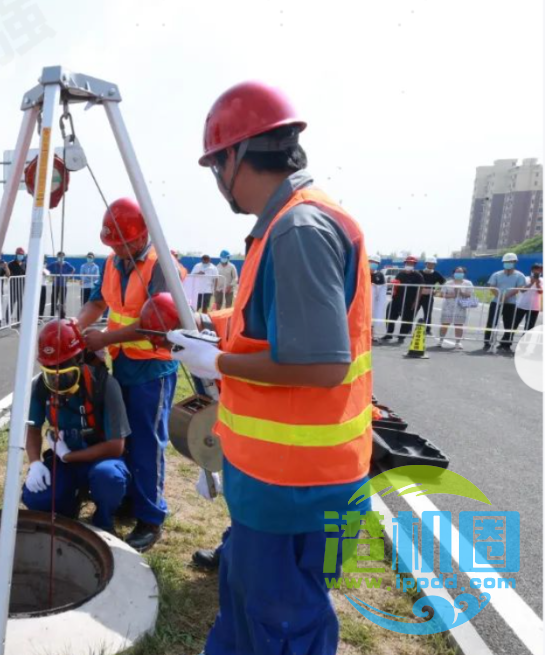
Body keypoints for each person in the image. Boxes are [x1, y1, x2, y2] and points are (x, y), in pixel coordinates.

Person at [168, 82, 372, 655]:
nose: (217, 181)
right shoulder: (287, 221)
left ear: (235, 157)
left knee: (281, 623)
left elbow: (321, 362)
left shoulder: (298, 229)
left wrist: (220, 361)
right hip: (282, 477)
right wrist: (216, 326)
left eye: (216, 164)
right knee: (247, 607)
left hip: (296, 483)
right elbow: (279, 318)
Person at [75, 197, 178, 552]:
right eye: (113, 243)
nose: (119, 249)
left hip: (153, 366)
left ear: (144, 234)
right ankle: (130, 501)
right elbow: (97, 302)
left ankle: (151, 518)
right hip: (121, 362)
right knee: (125, 438)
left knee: (148, 442)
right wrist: (74, 328)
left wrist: (105, 337)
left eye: (125, 242)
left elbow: (157, 322)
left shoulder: (160, 265)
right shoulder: (112, 262)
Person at [23, 319, 131, 532]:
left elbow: (116, 446)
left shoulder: (105, 385)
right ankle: (67, 508)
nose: (57, 384)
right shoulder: (41, 387)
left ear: (80, 359)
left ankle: (103, 519)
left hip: (101, 460)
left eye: (64, 375)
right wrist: (35, 463)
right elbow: (33, 428)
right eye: (50, 373)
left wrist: (68, 456)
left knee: (109, 479)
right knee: (36, 498)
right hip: (63, 460)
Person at [482, 252, 528, 353]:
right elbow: (492, 287)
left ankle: (506, 343)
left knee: (509, 324)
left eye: (510, 262)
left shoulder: (519, 275)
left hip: (510, 303)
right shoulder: (497, 274)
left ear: (514, 262)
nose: (508, 263)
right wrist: (500, 297)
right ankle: (487, 341)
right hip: (496, 302)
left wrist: (506, 296)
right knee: (491, 322)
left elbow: (519, 288)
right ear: (503, 262)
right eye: (506, 262)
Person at [382, 256, 424, 343]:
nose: (409, 264)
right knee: (390, 314)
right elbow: (395, 284)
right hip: (397, 299)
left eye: (411, 263)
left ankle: (401, 336)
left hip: (410, 301)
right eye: (408, 263)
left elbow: (420, 289)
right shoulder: (400, 274)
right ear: (405, 264)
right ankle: (389, 333)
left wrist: (416, 302)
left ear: (414, 265)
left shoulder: (418, 276)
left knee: (407, 319)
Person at [437, 267, 475, 350]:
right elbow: (441, 294)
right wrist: (452, 295)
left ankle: (458, 342)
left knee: (459, 325)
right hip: (448, 306)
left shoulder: (468, 283)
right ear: (453, 273)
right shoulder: (448, 283)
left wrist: (460, 292)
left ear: (464, 274)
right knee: (445, 324)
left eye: (461, 272)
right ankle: (440, 341)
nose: (459, 273)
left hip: (460, 307)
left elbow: (470, 295)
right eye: (457, 272)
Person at [417, 256, 445, 335]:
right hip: (418, 296)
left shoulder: (436, 274)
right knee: (413, 312)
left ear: (434, 265)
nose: (431, 265)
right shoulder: (419, 272)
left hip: (428, 297)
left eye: (432, 264)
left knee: (428, 313)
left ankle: (428, 329)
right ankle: (407, 328)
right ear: (426, 264)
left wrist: (436, 291)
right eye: (429, 264)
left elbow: (443, 283)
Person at [513, 262, 542, 334]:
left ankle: (525, 343)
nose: (538, 272)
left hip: (534, 307)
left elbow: (541, 292)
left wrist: (538, 284)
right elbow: (522, 290)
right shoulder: (525, 279)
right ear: (532, 270)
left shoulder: (542, 281)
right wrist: (531, 283)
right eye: (536, 270)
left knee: (529, 327)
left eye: (540, 270)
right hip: (521, 305)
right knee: (514, 324)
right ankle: (506, 342)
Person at [46, 251, 75, 317]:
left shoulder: (66, 264)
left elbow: (73, 269)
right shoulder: (54, 264)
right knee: (54, 300)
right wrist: (50, 275)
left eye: (62, 256)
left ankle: (62, 315)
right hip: (55, 285)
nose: (61, 258)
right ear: (57, 257)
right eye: (59, 256)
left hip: (63, 285)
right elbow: (46, 269)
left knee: (62, 301)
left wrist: (69, 276)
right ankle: (52, 314)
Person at [368, 254, 387, 343]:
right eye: (371, 262)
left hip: (373, 301)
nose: (373, 264)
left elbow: (382, 288)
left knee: (373, 316)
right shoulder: (362, 271)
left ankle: (372, 334)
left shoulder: (380, 275)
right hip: (362, 300)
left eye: (375, 263)